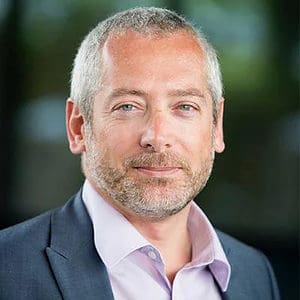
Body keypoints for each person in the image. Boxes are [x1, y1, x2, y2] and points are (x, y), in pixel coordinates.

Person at [0, 7, 280, 300]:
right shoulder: (7, 267)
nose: (157, 137)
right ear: (78, 127)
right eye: (128, 106)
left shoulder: (254, 272)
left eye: (185, 106)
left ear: (216, 126)